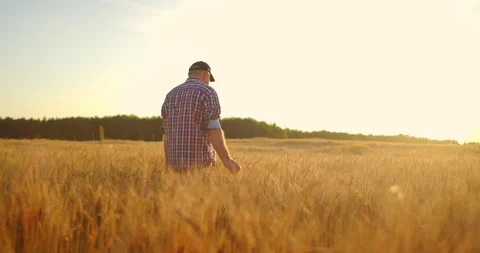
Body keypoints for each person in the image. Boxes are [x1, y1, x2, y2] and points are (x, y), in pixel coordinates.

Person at [161, 61, 241, 173]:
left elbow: (166, 133)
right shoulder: (208, 92)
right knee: (198, 191)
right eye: (209, 79)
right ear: (205, 74)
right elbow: (213, 127)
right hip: (199, 164)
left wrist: (167, 165)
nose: (208, 83)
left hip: (174, 165)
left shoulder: (170, 95)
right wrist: (227, 160)